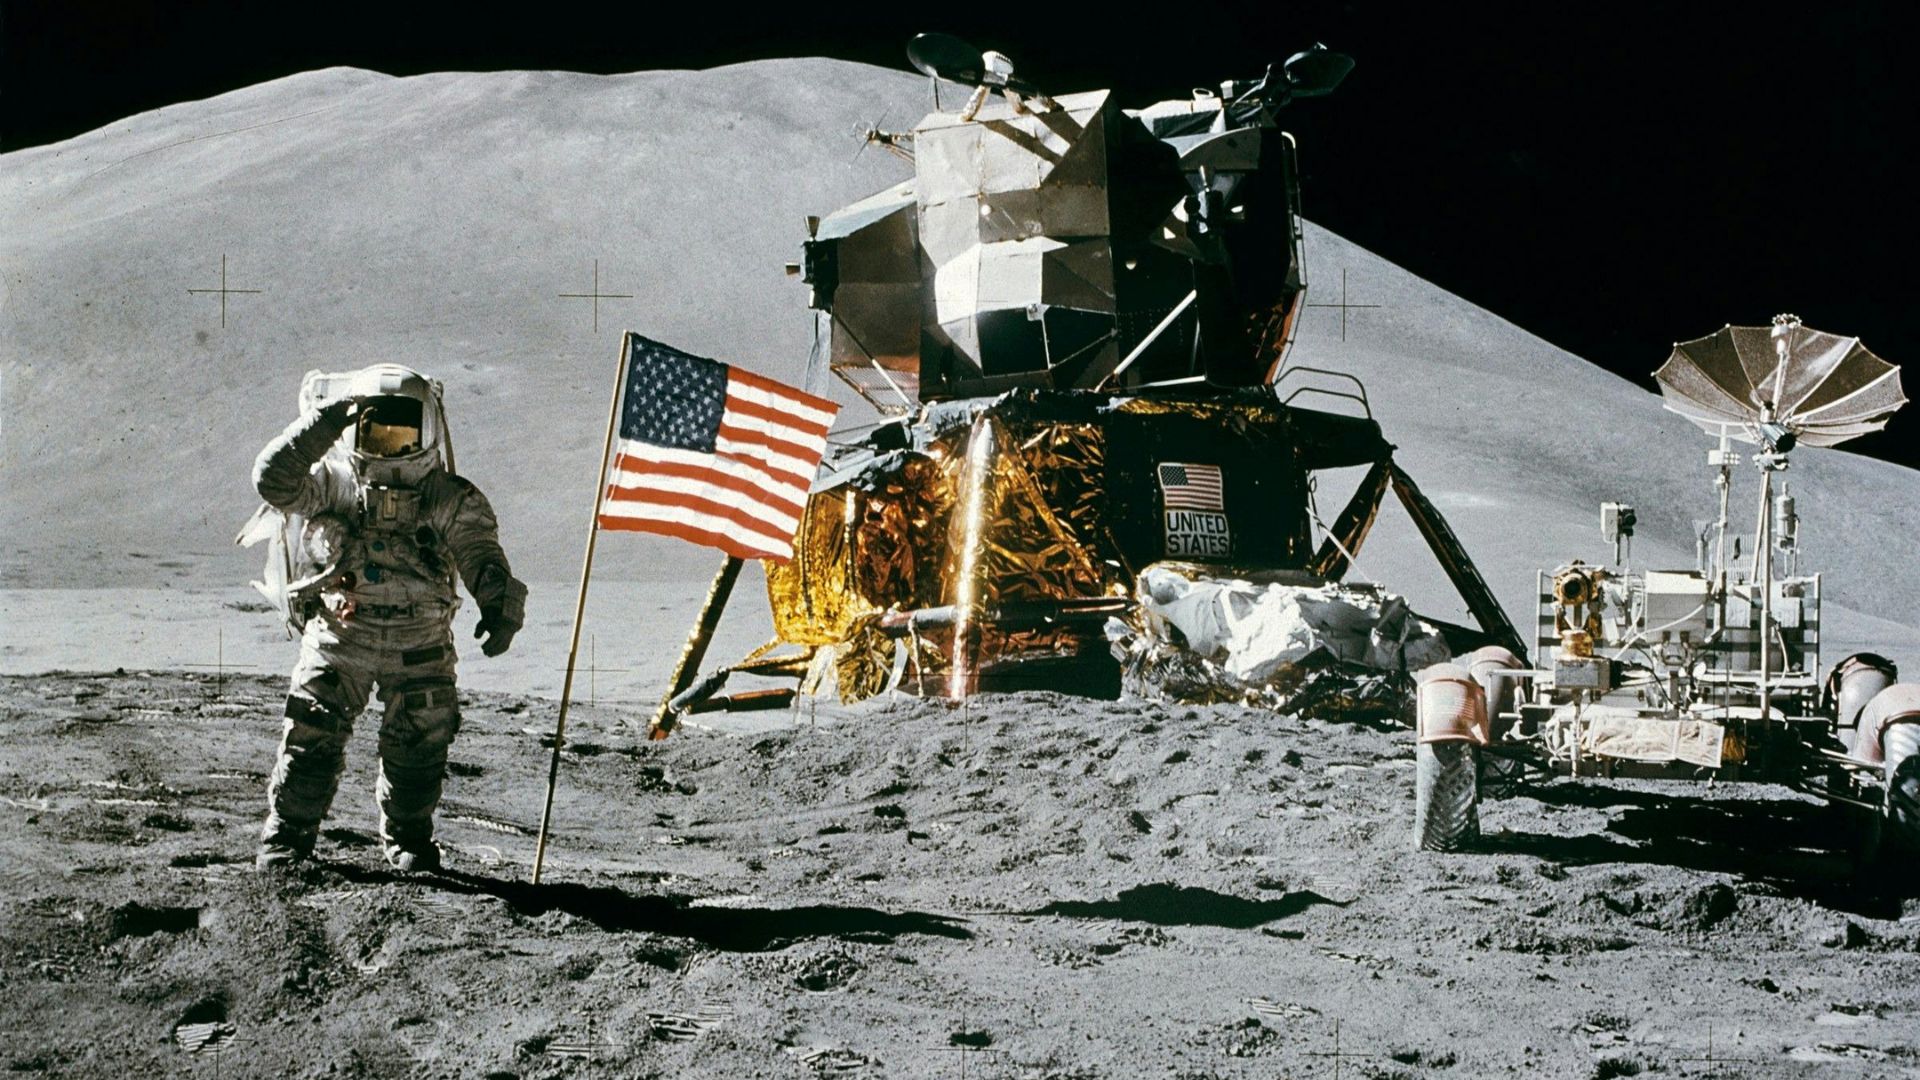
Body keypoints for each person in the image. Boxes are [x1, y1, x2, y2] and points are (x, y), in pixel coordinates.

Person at [250, 364, 526, 872]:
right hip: (340, 636)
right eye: (377, 431)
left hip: (418, 642)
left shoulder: (446, 496)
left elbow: (480, 552)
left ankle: (410, 843)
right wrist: (321, 427)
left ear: (428, 429)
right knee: (311, 739)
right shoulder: (335, 484)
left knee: (419, 753)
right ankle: (286, 840)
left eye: (404, 434)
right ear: (355, 429)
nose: (391, 447)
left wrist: (498, 604)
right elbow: (273, 482)